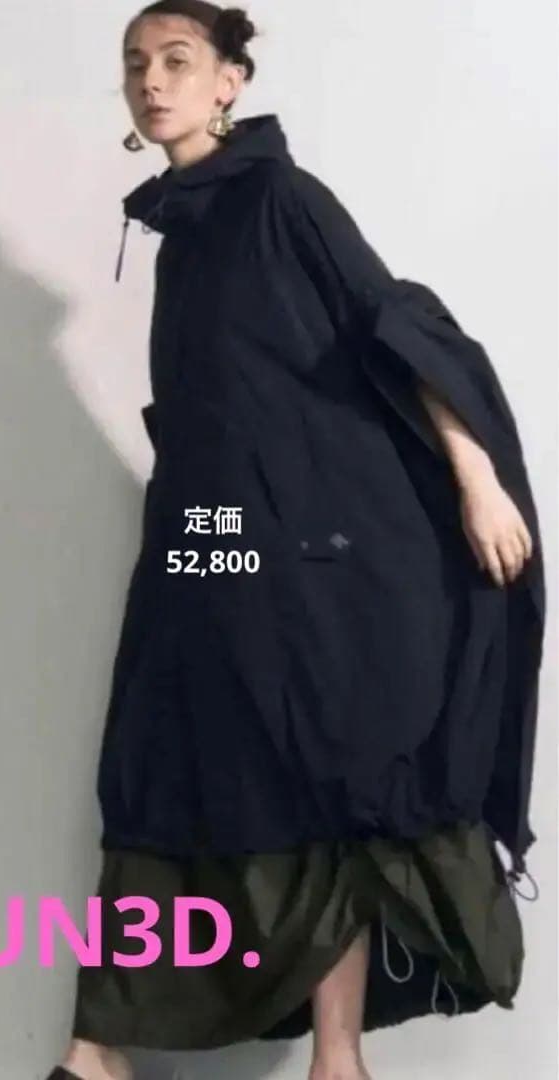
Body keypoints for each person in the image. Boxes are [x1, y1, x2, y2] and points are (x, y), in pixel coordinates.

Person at [43, 3, 546, 1079]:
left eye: (177, 60)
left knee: (318, 761)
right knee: (161, 745)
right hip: (209, 532)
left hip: (306, 543)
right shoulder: (184, 229)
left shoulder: (278, 199)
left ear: (229, 80)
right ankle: (101, 1048)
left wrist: (477, 478)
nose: (151, 81)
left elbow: (395, 321)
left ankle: (332, 1058)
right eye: (135, 64)